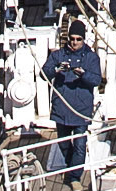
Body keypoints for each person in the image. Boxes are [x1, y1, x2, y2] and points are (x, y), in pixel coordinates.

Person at [41, 19, 104, 176]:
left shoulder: (91, 58)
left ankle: (75, 177)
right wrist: (56, 69)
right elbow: (44, 73)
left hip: (81, 109)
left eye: (78, 39)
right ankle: (71, 168)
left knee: (80, 145)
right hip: (61, 108)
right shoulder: (57, 55)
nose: (75, 42)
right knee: (63, 143)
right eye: (72, 38)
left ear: (83, 39)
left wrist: (83, 74)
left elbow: (96, 80)